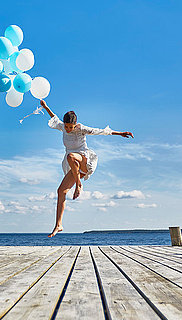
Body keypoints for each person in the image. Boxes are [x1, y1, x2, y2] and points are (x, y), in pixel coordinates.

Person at [39, 99, 134, 237]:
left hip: (84, 160)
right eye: (66, 127)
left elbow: (100, 131)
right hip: (74, 167)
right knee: (61, 191)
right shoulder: (62, 127)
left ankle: (79, 185)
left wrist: (120, 133)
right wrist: (46, 106)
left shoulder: (81, 128)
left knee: (71, 156)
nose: (68, 129)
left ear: (75, 125)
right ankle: (58, 225)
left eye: (70, 127)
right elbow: (54, 117)